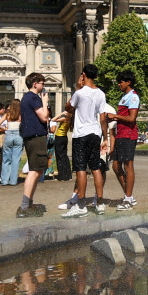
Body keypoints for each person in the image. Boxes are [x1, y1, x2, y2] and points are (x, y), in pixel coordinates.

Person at [56, 64, 109, 217]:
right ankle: (100, 203)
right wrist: (105, 138)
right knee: (96, 167)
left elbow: (68, 107)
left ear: (84, 75)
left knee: (80, 168)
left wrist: (77, 88)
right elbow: (103, 118)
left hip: (81, 134)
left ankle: (80, 204)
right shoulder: (101, 94)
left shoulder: (79, 93)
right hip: (95, 133)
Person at [15, 72, 52, 217]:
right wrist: (44, 102)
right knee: (35, 170)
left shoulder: (27, 97)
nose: (44, 86)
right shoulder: (33, 97)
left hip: (32, 137)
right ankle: (24, 206)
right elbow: (44, 117)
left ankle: (28, 202)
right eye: (42, 83)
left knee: (38, 169)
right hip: (36, 137)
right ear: (35, 84)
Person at [110, 71, 140, 210]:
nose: (119, 84)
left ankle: (127, 199)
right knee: (116, 167)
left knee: (128, 166)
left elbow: (132, 118)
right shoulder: (124, 97)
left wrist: (115, 116)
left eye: (121, 81)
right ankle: (129, 195)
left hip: (128, 135)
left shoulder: (133, 97)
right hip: (120, 134)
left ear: (128, 82)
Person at [0, 99, 24, 186]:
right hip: (18, 135)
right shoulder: (21, 115)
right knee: (16, 159)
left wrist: (4, 128)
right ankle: (13, 181)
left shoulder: (8, 114)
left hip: (9, 135)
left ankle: (4, 180)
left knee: (6, 159)